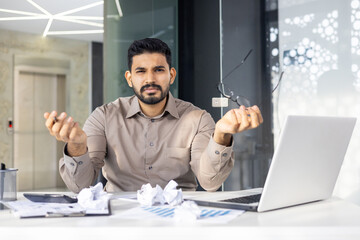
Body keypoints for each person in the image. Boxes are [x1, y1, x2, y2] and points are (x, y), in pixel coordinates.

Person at [44, 38, 263, 193]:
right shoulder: (104, 116)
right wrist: (76, 146)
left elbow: (209, 182)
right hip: (120, 218)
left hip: (180, 216)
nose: (150, 79)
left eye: (158, 70)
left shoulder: (197, 118)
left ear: (171, 75)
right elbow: (80, 187)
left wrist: (221, 135)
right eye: (141, 71)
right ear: (129, 78)